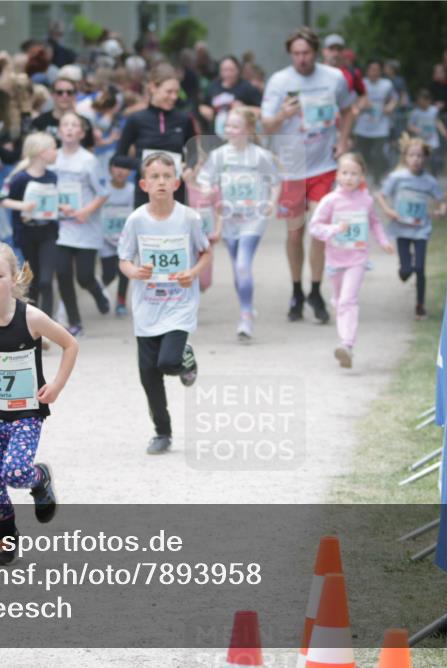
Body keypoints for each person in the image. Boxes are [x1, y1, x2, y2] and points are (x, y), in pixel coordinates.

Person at [0, 242, 76, 565]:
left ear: (14, 279)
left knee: (16, 470)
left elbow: (70, 344)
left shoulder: (31, 318)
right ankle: (7, 541)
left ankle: (40, 478)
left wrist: (57, 386)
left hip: (26, 414)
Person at [118, 153, 211, 455]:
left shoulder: (189, 218)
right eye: (154, 177)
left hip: (179, 305)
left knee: (167, 362)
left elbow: (206, 252)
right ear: (144, 184)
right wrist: (135, 271)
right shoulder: (136, 220)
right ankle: (162, 432)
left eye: (166, 176)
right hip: (146, 308)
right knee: (149, 376)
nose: (161, 181)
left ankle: (183, 358)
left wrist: (193, 273)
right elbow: (124, 259)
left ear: (176, 182)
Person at [261, 26, 353, 324]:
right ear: (291, 54)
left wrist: (342, 141)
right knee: (295, 232)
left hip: (324, 165)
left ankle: (315, 289)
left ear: (316, 51)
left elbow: (349, 110)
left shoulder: (333, 78)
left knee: (319, 226)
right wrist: (283, 115)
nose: (301, 59)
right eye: (296, 53)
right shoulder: (279, 81)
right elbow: (266, 126)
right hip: (291, 168)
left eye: (306, 53)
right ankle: (297, 290)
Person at [196, 107, 280, 341]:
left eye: (235, 126)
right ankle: (247, 305)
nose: (230, 131)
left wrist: (272, 202)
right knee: (237, 267)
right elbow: (204, 179)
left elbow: (275, 182)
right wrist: (207, 189)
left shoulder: (260, 156)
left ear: (249, 130)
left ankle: (245, 317)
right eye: (227, 126)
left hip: (254, 217)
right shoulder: (220, 155)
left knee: (243, 264)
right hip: (229, 218)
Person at [308, 152, 394, 368]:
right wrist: (335, 229)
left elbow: (374, 222)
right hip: (335, 260)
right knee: (339, 301)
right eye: (345, 173)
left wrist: (383, 241)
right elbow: (314, 227)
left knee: (348, 301)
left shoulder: (365, 200)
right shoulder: (330, 201)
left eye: (354, 174)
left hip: (357, 258)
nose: (349, 178)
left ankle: (346, 345)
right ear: (337, 175)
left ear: (362, 176)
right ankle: (344, 331)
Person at [377, 135, 447, 320]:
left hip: (421, 229)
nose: (416, 159)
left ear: (425, 158)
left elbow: (442, 202)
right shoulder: (397, 177)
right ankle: (404, 271)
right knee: (406, 270)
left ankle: (420, 305)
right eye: (412, 155)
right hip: (402, 227)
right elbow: (381, 195)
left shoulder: (429, 181)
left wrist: (440, 211)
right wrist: (388, 210)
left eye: (419, 156)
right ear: (405, 158)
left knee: (420, 268)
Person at [53, 112, 109, 336]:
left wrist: (85, 211)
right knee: (63, 274)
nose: (68, 128)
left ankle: (97, 292)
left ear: (81, 133)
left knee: (84, 276)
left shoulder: (88, 160)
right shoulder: (52, 158)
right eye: (64, 124)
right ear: (58, 131)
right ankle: (75, 321)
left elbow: (103, 193)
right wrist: (55, 207)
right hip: (62, 227)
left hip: (86, 226)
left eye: (74, 125)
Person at [116, 63, 198, 209]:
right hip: (145, 194)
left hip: (175, 194)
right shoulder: (136, 119)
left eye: (177, 92)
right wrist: (144, 165)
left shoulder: (184, 119)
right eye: (169, 92)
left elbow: (194, 154)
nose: (174, 97)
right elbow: (117, 158)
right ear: (153, 87)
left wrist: (189, 167)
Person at [0, 132, 60, 315]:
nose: (57, 152)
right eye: (53, 148)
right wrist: (22, 205)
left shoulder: (52, 176)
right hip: (27, 233)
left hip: (48, 231)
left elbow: (51, 201)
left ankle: (48, 322)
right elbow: (1, 199)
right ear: (42, 152)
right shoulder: (19, 178)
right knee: (33, 280)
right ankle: (32, 321)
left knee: (46, 281)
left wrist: (60, 207)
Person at [99, 155, 135, 317]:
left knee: (124, 271)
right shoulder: (102, 190)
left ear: (130, 172)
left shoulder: (133, 190)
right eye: (117, 167)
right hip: (106, 239)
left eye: (125, 168)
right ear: (110, 169)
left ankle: (121, 301)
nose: (121, 171)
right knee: (109, 274)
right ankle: (99, 292)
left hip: (125, 239)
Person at [199, 55, 262, 145]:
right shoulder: (213, 86)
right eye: (224, 70)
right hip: (216, 137)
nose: (228, 74)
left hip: (241, 138)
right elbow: (202, 105)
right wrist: (204, 109)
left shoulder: (247, 87)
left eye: (231, 70)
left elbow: (262, 112)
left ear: (238, 71)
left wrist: (244, 108)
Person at [352, 60, 398, 183]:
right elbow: (353, 101)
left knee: (379, 154)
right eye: (372, 69)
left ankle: (377, 179)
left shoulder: (387, 84)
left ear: (381, 71)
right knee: (362, 155)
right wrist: (359, 107)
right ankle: (361, 179)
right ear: (367, 71)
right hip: (362, 126)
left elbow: (394, 99)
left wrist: (390, 106)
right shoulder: (361, 83)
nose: (374, 72)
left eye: (377, 69)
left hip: (381, 126)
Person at [31, 77, 95, 149]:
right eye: (59, 92)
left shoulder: (85, 123)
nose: (65, 96)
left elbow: (89, 149)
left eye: (69, 92)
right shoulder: (39, 122)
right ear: (53, 95)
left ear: (75, 95)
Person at [407, 90, 447, 175]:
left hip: (432, 140)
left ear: (428, 101)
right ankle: (421, 175)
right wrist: (416, 129)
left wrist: (443, 130)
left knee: (433, 159)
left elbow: (437, 121)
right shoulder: (415, 113)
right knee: (422, 160)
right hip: (420, 141)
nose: (421, 104)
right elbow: (409, 126)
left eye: (423, 101)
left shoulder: (433, 111)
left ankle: (434, 176)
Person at [322, 34, 365, 100]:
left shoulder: (352, 73)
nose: (336, 53)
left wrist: (357, 107)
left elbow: (364, 96)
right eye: (331, 49)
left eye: (339, 50)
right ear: (324, 51)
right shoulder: (314, 71)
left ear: (343, 52)